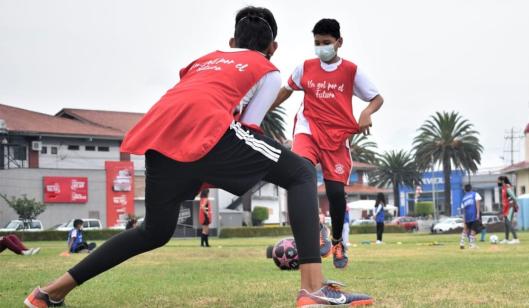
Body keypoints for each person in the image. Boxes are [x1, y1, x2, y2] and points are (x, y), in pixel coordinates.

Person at [24, 7, 374, 307]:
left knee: (154, 231)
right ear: (273, 47)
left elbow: (191, 94)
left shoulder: (203, 60)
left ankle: (48, 293)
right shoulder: (267, 70)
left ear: (232, 42)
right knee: (298, 171)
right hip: (209, 132)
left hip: (162, 141)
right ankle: (312, 289)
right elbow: (249, 126)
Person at [270, 18, 384, 269]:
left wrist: (366, 113)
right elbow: (287, 90)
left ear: (339, 43)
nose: (321, 48)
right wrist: (263, 108)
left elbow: (377, 98)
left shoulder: (351, 71)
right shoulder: (305, 67)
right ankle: (317, 227)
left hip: (336, 138)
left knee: (335, 194)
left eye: (326, 43)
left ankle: (336, 243)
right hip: (307, 131)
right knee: (302, 175)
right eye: (317, 43)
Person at [498, 176, 520, 244]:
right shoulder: (503, 188)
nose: (497, 182)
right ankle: (506, 239)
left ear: (502, 181)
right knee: (505, 223)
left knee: (508, 222)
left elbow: (513, 197)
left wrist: (514, 204)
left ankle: (516, 239)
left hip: (510, 207)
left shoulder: (507, 187)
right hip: (506, 207)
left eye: (498, 181)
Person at [459, 184, 482, 249]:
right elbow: (477, 203)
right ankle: (472, 245)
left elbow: (463, 211)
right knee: (473, 230)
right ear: (471, 188)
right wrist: (477, 214)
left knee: (466, 229)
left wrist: (464, 220)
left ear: (465, 190)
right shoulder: (475, 194)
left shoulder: (463, 198)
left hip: (467, 216)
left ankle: (462, 242)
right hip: (473, 214)